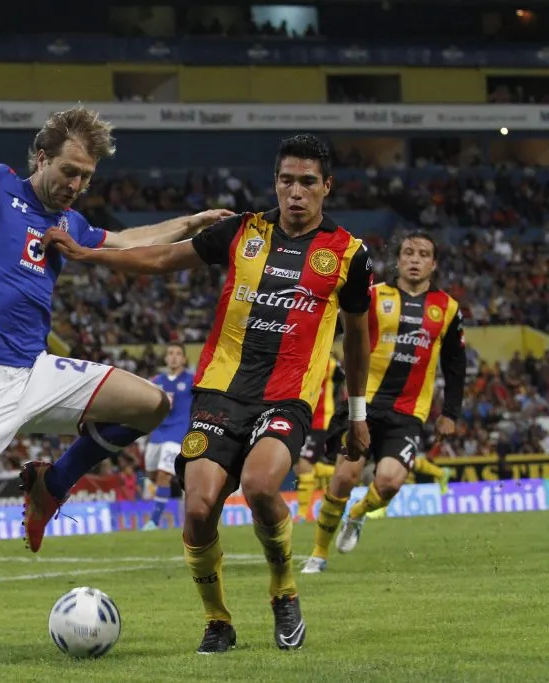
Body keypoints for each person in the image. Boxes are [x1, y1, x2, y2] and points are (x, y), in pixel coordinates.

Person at [0, 5, 233, 675]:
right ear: (41, 156)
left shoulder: (70, 223)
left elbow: (127, 241)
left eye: (86, 177)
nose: (76, 184)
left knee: (149, 403)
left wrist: (194, 222)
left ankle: (52, 483)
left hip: (35, 368)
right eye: (70, 171)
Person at [42, 134, 373, 653]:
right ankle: (218, 621)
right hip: (220, 390)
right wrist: (89, 254)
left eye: (308, 182)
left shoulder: (348, 254)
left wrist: (357, 413)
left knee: (262, 486)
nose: (296, 191)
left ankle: (283, 593)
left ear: (326, 187)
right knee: (198, 509)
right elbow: (162, 259)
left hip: (287, 395)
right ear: (276, 183)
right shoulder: (243, 232)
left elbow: (357, 337)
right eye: (287, 180)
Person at [302, 231, 465, 573]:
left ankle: (358, 515)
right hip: (363, 403)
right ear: (399, 259)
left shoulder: (447, 309)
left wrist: (450, 413)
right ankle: (318, 553)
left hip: (408, 412)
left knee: (390, 481)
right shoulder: (374, 296)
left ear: (433, 264)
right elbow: (338, 331)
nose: (415, 259)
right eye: (409, 252)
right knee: (345, 477)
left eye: (423, 254)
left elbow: (455, 364)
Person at [142, 343, 195, 531]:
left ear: (184, 359)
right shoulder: (156, 381)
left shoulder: (191, 380)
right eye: (170, 353)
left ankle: (153, 522)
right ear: (165, 358)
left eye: (178, 354)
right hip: (157, 434)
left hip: (178, 434)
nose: (174, 357)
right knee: (151, 475)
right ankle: (181, 480)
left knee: (163, 475)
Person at [293, 354, 343, 522]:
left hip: (319, 422)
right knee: (300, 466)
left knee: (304, 465)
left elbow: (344, 376)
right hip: (303, 421)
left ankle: (301, 515)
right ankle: (342, 472)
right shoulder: (298, 361)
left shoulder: (328, 363)